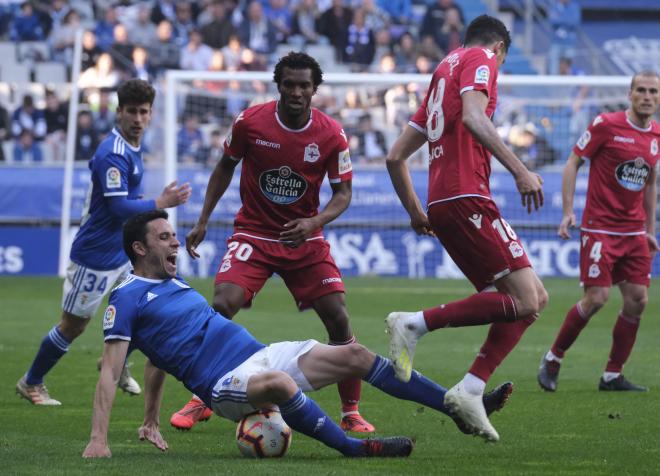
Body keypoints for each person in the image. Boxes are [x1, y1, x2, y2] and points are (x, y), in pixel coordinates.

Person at [82, 210, 514, 457]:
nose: (176, 243)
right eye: (164, 238)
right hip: (224, 385)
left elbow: (157, 357)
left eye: (175, 236)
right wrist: (98, 440)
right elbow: (109, 369)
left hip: (260, 354)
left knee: (355, 356)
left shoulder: (173, 284)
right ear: (140, 249)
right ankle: (352, 448)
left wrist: (150, 421)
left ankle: (456, 408)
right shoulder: (127, 298)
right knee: (280, 383)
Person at [170, 51, 375, 434]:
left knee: (338, 316)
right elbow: (224, 167)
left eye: (304, 86)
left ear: (315, 89)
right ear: (278, 85)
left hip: (304, 237)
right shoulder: (251, 122)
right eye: (290, 84)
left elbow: (343, 194)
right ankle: (202, 397)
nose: (297, 92)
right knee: (220, 305)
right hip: (255, 233)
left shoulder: (331, 134)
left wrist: (314, 221)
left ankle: (350, 410)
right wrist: (202, 219)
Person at [384, 15, 548, 442]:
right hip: (466, 197)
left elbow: (395, 155)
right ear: (500, 49)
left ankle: (471, 389)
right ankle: (414, 323)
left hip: (442, 201)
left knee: (530, 298)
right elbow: (475, 118)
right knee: (527, 300)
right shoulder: (481, 58)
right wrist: (520, 170)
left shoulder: (443, 70)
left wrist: (417, 211)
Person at [16, 79, 192, 406]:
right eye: (132, 112)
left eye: (144, 112)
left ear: (151, 113)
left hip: (121, 251)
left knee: (146, 307)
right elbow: (117, 207)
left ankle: (117, 361)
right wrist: (160, 201)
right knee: (73, 326)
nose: (138, 118)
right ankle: (31, 382)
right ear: (119, 112)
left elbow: (127, 202)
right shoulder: (113, 152)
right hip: (95, 254)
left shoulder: (134, 147)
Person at [538, 71, 660, 392]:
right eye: (642, 90)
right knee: (597, 299)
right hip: (600, 229)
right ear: (630, 94)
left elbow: (649, 183)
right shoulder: (606, 125)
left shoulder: (656, 135)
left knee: (638, 300)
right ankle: (553, 358)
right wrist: (568, 212)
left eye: (654, 92)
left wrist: (650, 229)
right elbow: (572, 163)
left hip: (634, 234)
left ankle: (612, 375)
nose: (648, 96)